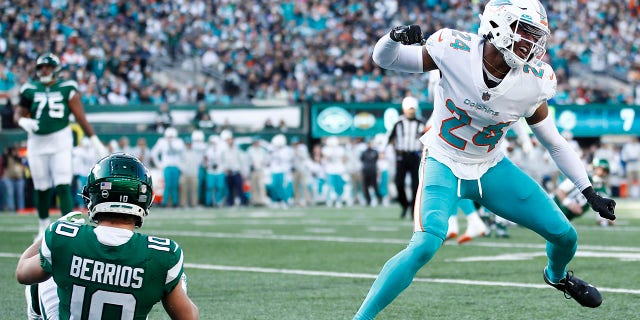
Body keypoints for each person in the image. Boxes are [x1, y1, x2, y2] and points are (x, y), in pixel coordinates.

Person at [353, 1, 617, 318]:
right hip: (443, 161)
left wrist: (588, 191)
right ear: (497, 26)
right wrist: (392, 38)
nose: (532, 44)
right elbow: (386, 59)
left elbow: (555, 143)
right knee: (424, 245)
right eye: (526, 33)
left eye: (537, 36)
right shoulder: (454, 48)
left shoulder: (534, 80)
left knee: (565, 237)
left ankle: (557, 277)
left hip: (490, 168)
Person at [15, 153, 198, 319]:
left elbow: (22, 273)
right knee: (174, 281)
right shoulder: (163, 253)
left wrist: (49, 231)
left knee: (44, 269)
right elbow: (189, 317)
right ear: (145, 200)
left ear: (93, 196)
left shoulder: (63, 236)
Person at [13, 53, 107, 238]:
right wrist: (23, 122)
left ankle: (67, 226)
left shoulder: (67, 87)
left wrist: (95, 140)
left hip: (60, 140)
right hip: (37, 142)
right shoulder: (30, 89)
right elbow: (18, 114)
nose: (44, 70)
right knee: (41, 185)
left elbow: (80, 117)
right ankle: (42, 227)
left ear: (56, 69)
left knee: (63, 183)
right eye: (41, 67)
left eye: (47, 67)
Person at [387, 96, 425, 218]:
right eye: (409, 109)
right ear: (404, 109)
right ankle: (404, 205)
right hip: (401, 157)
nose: (411, 111)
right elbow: (389, 139)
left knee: (416, 185)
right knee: (399, 184)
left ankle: (413, 209)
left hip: (415, 157)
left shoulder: (421, 124)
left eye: (412, 109)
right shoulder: (398, 123)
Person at [554, 158, 613, 226]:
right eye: (601, 170)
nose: (603, 173)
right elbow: (559, 191)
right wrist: (569, 204)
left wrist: (607, 219)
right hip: (554, 207)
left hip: (564, 219)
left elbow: (601, 219)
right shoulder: (582, 178)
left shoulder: (602, 191)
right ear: (594, 168)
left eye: (605, 171)